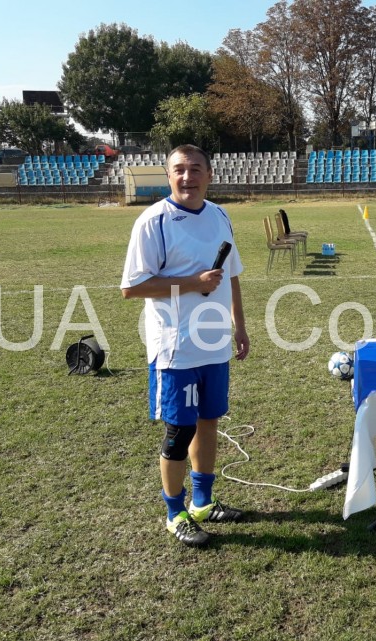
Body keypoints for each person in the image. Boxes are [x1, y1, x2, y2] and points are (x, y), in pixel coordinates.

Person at [120, 144, 250, 547]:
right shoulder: (153, 222)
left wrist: (240, 325)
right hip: (175, 348)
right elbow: (132, 287)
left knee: (209, 421)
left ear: (209, 175)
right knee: (180, 431)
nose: (187, 177)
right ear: (168, 175)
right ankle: (175, 513)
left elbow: (231, 276)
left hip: (214, 345)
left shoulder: (220, 215)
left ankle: (203, 503)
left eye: (195, 169)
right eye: (179, 169)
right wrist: (193, 283)